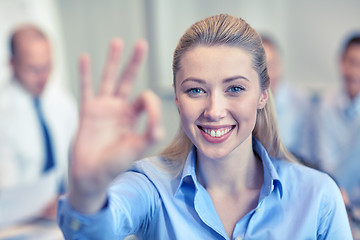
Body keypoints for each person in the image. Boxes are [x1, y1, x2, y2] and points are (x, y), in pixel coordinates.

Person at [57, 14, 352, 239]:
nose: (214, 111)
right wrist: (88, 190)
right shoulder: (151, 186)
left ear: (263, 94)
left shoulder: (318, 196)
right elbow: (93, 231)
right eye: (196, 90)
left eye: (235, 89)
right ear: (176, 98)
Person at [0, 24, 78, 227]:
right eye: (34, 69)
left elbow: (74, 162)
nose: (43, 77)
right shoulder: (3, 112)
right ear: (12, 63)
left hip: (64, 215)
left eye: (48, 67)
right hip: (18, 225)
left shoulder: (63, 103)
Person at [310, 33, 360, 236]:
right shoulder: (324, 106)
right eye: (352, 62)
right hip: (332, 199)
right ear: (341, 62)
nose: (355, 72)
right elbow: (324, 165)